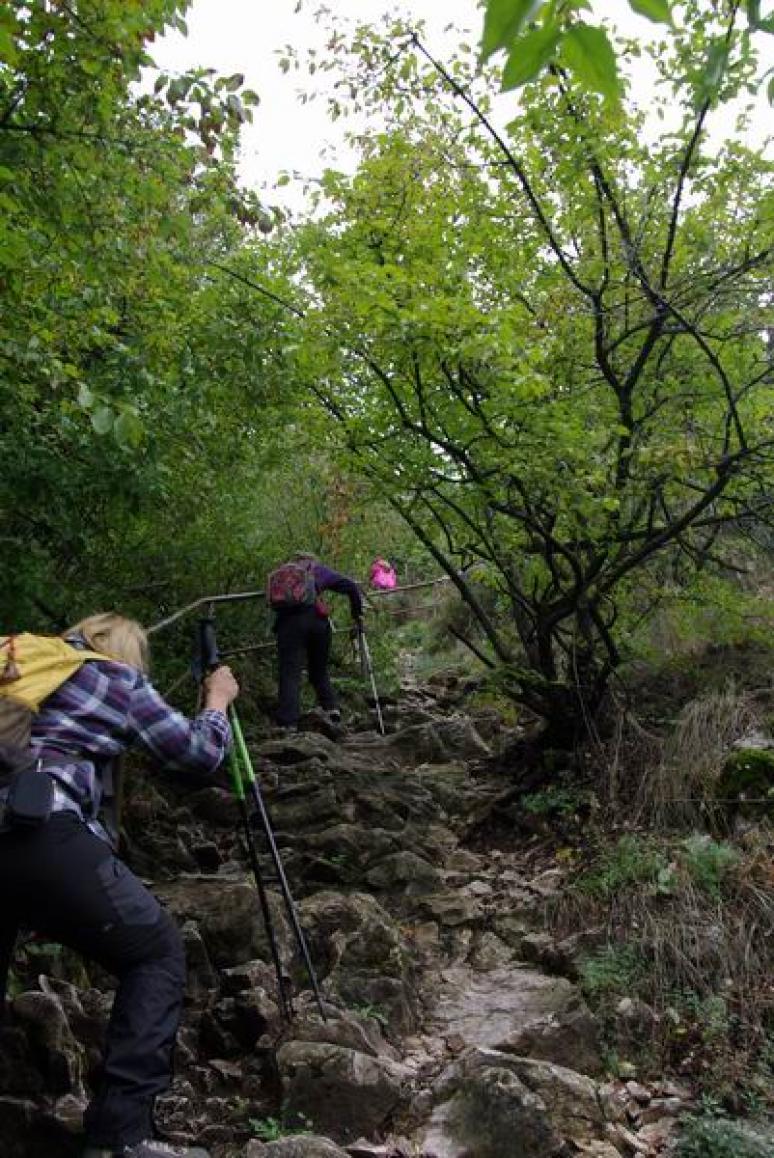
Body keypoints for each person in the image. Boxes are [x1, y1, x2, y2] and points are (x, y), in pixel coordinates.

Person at [0, 613, 239, 1158]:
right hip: (40, 831)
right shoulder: (112, 678)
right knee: (156, 954)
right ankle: (121, 1135)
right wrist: (217, 702)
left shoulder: (17, 666)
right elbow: (197, 755)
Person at [271, 553, 363, 730]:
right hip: (317, 622)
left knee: (290, 672)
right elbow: (350, 586)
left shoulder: (280, 574)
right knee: (319, 670)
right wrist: (356, 614)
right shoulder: (317, 570)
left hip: (288, 625)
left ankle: (288, 722)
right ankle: (331, 709)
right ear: (311, 560)